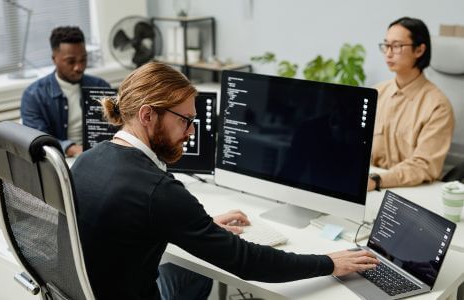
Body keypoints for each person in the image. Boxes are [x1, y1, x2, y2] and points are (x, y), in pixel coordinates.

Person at [70, 62, 379, 300]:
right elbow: (248, 263)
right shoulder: (158, 190)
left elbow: (127, 227)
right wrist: (329, 262)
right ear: (148, 115)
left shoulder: (86, 161)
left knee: (195, 274)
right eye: (185, 120)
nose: (191, 132)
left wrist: (199, 227)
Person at [368, 17, 455, 191]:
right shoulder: (377, 93)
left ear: (419, 50)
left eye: (397, 46)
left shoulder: (438, 106)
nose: (389, 53)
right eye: (386, 45)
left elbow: (423, 165)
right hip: (372, 184)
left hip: (411, 190)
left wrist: (378, 180)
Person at [20, 26, 110, 157]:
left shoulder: (101, 86)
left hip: (100, 155)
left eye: (83, 59)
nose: (79, 67)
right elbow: (38, 139)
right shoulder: (33, 95)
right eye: (70, 61)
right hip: (59, 161)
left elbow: (115, 127)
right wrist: (72, 149)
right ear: (54, 58)